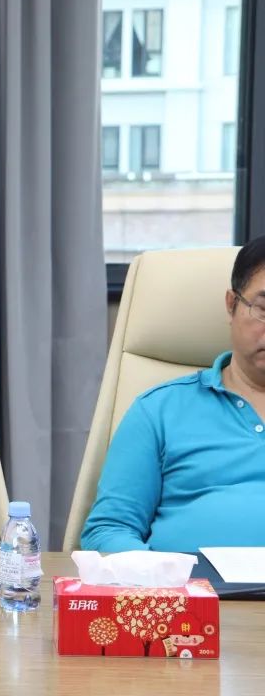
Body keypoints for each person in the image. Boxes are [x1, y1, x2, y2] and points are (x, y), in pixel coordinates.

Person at [82, 236, 265, 552]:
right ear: (231, 304)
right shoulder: (159, 411)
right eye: (264, 308)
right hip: (190, 584)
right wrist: (163, 576)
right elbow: (109, 530)